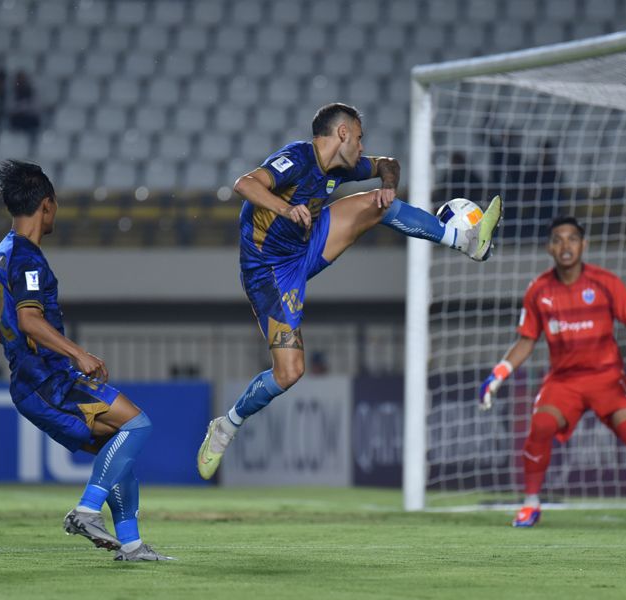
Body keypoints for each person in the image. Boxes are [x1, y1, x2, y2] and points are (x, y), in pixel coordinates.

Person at [196, 102, 503, 479]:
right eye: (359, 137)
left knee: (376, 205)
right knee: (290, 372)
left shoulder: (343, 165)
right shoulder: (296, 157)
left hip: (307, 244)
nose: (361, 146)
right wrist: (284, 209)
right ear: (342, 133)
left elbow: (387, 163)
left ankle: (464, 240)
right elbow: (244, 183)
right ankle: (226, 426)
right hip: (269, 272)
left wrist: (388, 187)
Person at [0, 160, 171, 561]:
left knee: (116, 449)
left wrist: (17, 348)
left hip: (34, 379)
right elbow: (29, 318)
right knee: (137, 424)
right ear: (47, 205)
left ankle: (131, 544)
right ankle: (85, 511)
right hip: (49, 380)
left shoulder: (3, 253)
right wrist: (76, 353)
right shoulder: (27, 257)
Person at [478, 216, 626, 529]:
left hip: (607, 379)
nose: (565, 245)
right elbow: (526, 341)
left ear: (583, 245)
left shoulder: (605, 282)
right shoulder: (539, 291)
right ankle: (531, 505)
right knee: (541, 425)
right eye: (558, 239)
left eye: (572, 239)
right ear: (549, 248)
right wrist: (498, 374)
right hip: (564, 382)